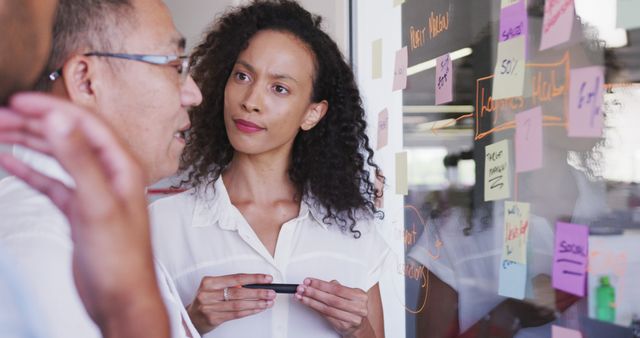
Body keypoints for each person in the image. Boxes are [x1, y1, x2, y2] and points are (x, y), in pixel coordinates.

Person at [150, 1, 388, 337]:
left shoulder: (355, 229)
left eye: (279, 88)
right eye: (243, 76)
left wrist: (357, 328)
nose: (250, 100)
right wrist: (192, 320)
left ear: (313, 114)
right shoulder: (161, 226)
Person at [0, 0, 203, 337]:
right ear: (85, 80)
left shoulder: (101, 227)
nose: (193, 94)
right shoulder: (41, 245)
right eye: (174, 64)